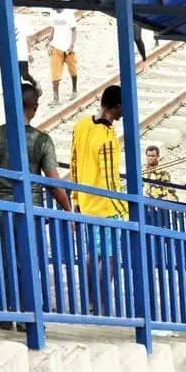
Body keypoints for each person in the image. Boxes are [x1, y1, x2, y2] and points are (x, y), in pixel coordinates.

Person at [0, 83, 71, 332]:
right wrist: (67, 209)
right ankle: (30, 317)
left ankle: (6, 313)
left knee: (5, 261)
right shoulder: (42, 140)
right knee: (30, 262)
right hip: (31, 212)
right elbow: (52, 181)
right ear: (35, 108)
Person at [69, 86, 127, 313]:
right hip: (106, 207)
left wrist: (75, 201)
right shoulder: (108, 138)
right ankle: (102, 306)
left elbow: (74, 164)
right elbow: (111, 179)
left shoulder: (82, 125)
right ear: (118, 106)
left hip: (85, 203)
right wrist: (123, 209)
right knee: (110, 257)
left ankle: (91, 302)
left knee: (93, 255)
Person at [49, 7, 78, 105]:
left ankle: (74, 90)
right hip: (56, 47)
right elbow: (53, 28)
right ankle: (56, 98)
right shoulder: (53, 14)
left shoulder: (69, 14)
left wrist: (72, 45)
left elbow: (74, 30)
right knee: (55, 73)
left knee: (73, 70)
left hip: (68, 49)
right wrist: (49, 41)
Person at [14, 13, 40, 91]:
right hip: (12, 55)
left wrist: (29, 53)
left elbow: (28, 37)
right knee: (16, 78)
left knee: (25, 75)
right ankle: (20, 97)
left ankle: (35, 83)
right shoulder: (4, 19)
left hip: (21, 53)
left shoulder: (21, 20)